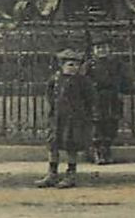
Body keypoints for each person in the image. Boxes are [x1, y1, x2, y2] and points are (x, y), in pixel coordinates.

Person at [36, 48, 95, 188]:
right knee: (53, 145)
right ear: (61, 65)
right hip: (57, 117)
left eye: (76, 65)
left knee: (71, 146)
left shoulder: (83, 81)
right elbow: (49, 94)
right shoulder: (55, 79)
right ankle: (52, 173)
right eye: (70, 65)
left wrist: (83, 114)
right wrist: (52, 110)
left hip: (74, 118)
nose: (74, 68)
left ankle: (71, 174)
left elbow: (90, 98)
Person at [84, 39, 131, 165]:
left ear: (109, 49)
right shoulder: (89, 65)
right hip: (96, 97)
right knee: (97, 124)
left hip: (112, 97)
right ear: (93, 51)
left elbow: (125, 79)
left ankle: (107, 150)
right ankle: (97, 151)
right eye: (98, 48)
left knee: (111, 123)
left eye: (104, 47)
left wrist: (123, 91)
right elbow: (83, 81)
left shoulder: (117, 64)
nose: (101, 50)